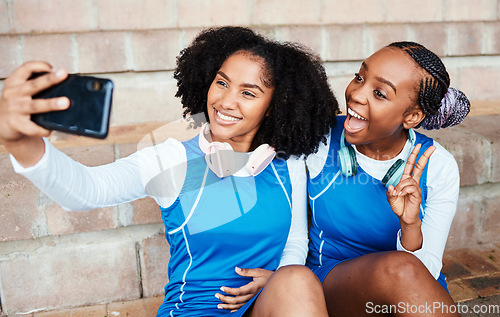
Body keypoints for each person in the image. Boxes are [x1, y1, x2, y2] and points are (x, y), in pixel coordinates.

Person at [0, 26, 339, 316]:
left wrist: (276, 277)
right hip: (194, 310)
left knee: (298, 278)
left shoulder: (288, 163)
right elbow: (87, 190)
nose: (225, 101)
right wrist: (22, 142)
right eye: (221, 83)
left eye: (248, 93)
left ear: (274, 107)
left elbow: (295, 239)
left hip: (265, 306)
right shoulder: (171, 160)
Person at [305, 41, 470, 316]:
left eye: (379, 93)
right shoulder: (319, 140)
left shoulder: (438, 165)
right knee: (400, 271)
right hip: (331, 285)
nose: (357, 94)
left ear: (412, 116)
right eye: (360, 77)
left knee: (404, 272)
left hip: (405, 288)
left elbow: (426, 271)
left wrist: (410, 225)